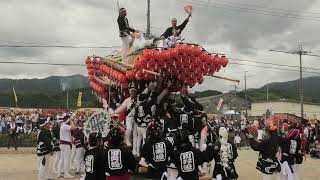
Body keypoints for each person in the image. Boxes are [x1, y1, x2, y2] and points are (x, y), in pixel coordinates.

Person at [113, 84, 138, 156]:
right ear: (129, 92)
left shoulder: (138, 100)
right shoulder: (126, 100)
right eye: (131, 91)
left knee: (135, 134)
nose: (132, 92)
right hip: (129, 117)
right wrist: (115, 112)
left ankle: (135, 150)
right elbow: (122, 108)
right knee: (129, 129)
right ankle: (127, 141)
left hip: (136, 118)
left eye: (134, 91)